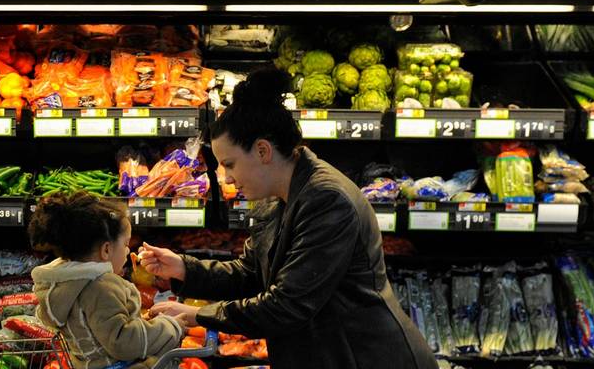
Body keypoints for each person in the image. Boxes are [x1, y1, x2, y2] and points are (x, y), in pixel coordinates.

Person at [140, 68, 437, 369]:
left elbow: (288, 305)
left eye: (229, 164)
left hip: (365, 356)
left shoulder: (327, 200)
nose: (227, 179)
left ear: (262, 150)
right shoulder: (274, 197)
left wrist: (197, 315)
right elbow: (253, 274)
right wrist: (183, 269)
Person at [29, 191, 184, 369]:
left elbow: (99, 329)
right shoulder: (100, 287)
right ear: (106, 250)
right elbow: (123, 343)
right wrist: (171, 326)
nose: (128, 251)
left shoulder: (67, 283)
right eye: (126, 244)